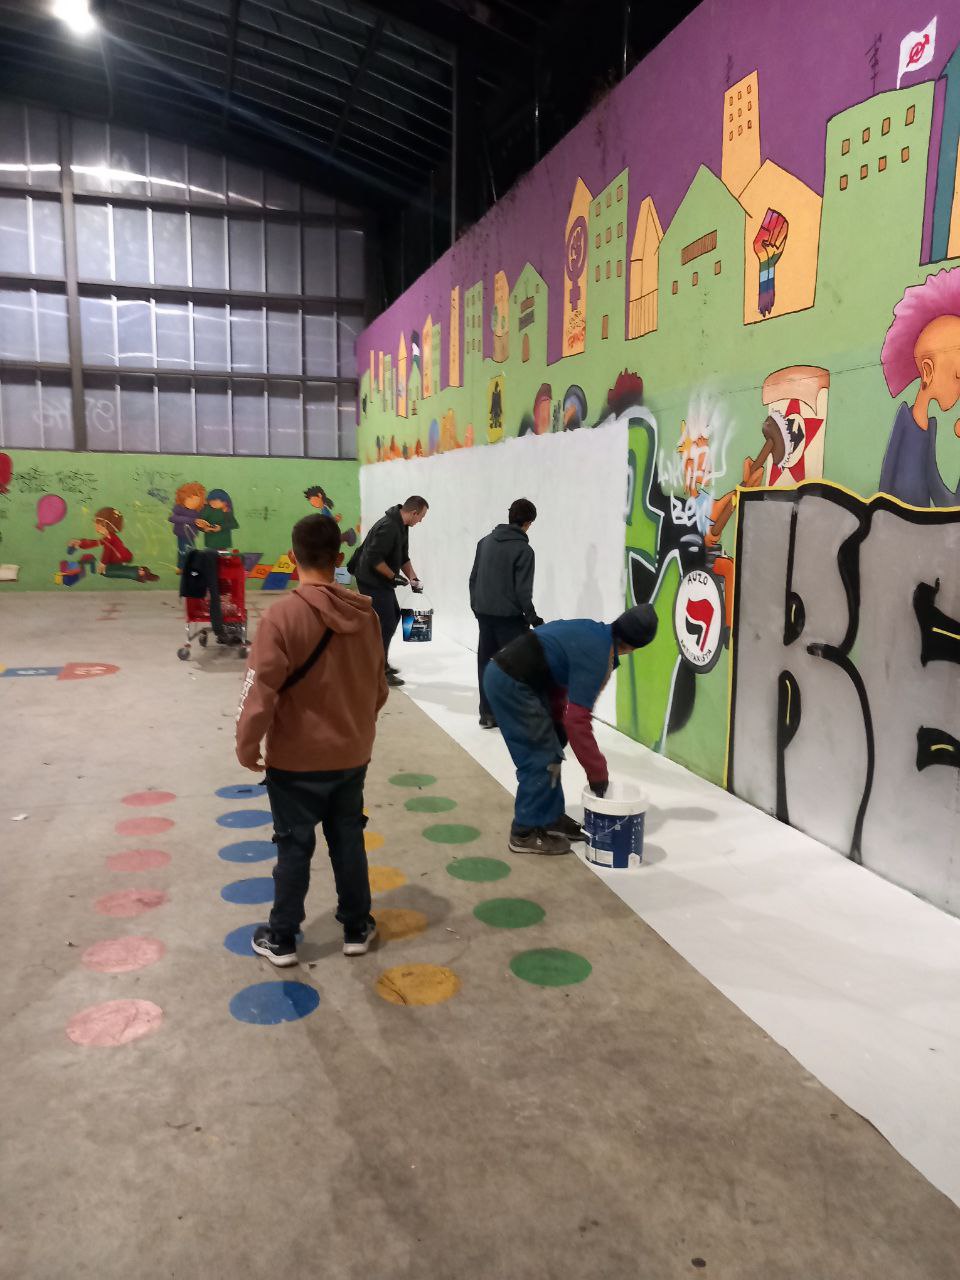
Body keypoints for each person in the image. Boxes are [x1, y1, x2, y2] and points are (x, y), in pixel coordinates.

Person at [235, 513, 389, 965]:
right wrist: (355, 728)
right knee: (348, 839)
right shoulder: (366, 616)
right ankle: (357, 927)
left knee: (293, 845)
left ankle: (282, 937)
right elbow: (378, 687)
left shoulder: (281, 617)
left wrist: (247, 744)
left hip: (295, 761)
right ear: (339, 559)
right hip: (352, 755)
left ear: (292, 556)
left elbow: (259, 690)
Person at [483, 604, 658, 855]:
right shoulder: (599, 655)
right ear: (634, 647)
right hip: (510, 682)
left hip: (523, 679)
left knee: (551, 751)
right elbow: (578, 721)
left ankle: (550, 818)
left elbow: (558, 676)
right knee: (539, 758)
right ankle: (524, 832)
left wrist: (556, 722)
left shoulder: (595, 633)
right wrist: (597, 772)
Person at [879, 268, 960, 507]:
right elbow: (885, 486)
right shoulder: (905, 421)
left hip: (917, 527)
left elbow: (943, 497)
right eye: (957, 376)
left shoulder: (929, 430)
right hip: (895, 525)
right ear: (928, 371)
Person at [470, 498, 544, 729]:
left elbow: (473, 579)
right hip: (510, 619)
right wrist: (534, 619)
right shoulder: (524, 550)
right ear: (528, 523)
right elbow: (523, 591)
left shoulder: (484, 542)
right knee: (515, 669)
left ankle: (487, 714)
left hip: (485, 615)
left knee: (486, 664)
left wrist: (476, 607)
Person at [352, 496, 428, 687]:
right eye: (421, 517)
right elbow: (373, 558)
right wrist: (393, 577)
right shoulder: (389, 527)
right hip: (370, 579)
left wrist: (413, 578)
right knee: (386, 621)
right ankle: (379, 669)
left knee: (393, 616)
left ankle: (379, 662)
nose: (421, 521)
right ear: (414, 513)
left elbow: (403, 557)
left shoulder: (402, 526)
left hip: (380, 579)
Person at [67, 507, 158, 582]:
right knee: (105, 570)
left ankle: (137, 572)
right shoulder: (108, 537)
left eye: (97, 522)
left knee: (105, 572)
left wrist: (103, 563)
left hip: (121, 559)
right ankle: (137, 571)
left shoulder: (110, 537)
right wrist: (80, 543)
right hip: (117, 560)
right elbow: (96, 543)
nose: (95, 524)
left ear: (105, 524)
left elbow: (107, 550)